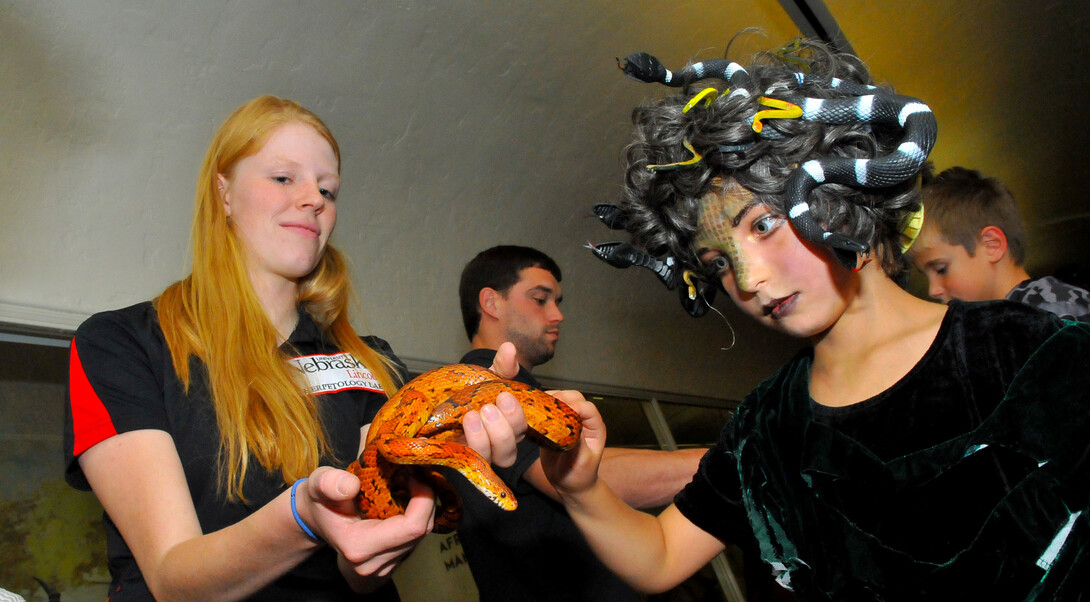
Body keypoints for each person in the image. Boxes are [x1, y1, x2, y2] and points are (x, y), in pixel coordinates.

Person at [538, 41, 1090, 600]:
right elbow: (659, 557)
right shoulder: (767, 427)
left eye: (763, 224)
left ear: (840, 191)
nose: (749, 280)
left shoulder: (1030, 350)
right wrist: (583, 489)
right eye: (719, 263)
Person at [63, 95, 528, 601]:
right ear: (223, 192)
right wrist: (302, 518)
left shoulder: (371, 362)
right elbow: (174, 579)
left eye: (328, 189)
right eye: (284, 178)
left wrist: (442, 457)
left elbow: (364, 567)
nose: (314, 199)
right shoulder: (122, 344)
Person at [454, 245, 707, 602]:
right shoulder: (481, 387)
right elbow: (584, 476)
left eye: (557, 301)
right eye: (540, 299)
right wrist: (736, 462)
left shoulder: (521, 389)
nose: (557, 315)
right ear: (491, 303)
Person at [909, 166, 1090, 320]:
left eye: (941, 269)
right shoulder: (996, 321)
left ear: (991, 245)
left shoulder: (1053, 310)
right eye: (927, 275)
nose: (933, 290)